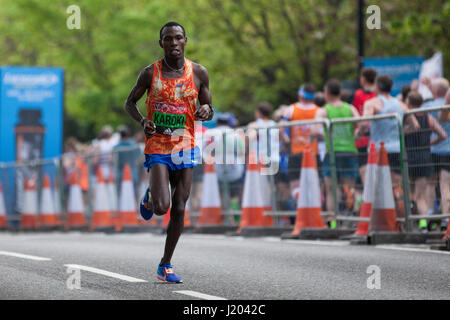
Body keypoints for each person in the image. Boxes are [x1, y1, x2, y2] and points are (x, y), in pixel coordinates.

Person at [124, 22, 214, 283]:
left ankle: (165, 264)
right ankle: (152, 195)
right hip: (159, 145)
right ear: (160, 43)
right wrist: (143, 121)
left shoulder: (198, 72)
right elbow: (130, 103)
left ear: (185, 40)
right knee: (162, 208)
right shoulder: (149, 73)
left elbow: (208, 105)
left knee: (180, 207)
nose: (173, 43)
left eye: (177, 38)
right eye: (167, 39)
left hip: (185, 144)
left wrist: (207, 110)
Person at [316, 79, 360, 215]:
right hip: (349, 151)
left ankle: (333, 221)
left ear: (327, 93)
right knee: (349, 187)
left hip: (333, 152)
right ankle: (350, 219)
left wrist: (326, 136)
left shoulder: (325, 110)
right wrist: (354, 136)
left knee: (331, 189)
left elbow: (315, 130)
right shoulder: (350, 108)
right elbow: (362, 124)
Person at [405, 92, 447, 231]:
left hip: (408, 157)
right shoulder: (428, 117)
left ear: (409, 103)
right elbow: (443, 135)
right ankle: (422, 221)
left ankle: (415, 221)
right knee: (420, 194)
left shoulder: (407, 118)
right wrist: (430, 143)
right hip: (425, 156)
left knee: (410, 193)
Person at [282, 83, 320, 201]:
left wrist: (286, 141)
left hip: (296, 152)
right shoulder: (318, 111)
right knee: (314, 185)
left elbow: (280, 128)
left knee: (295, 186)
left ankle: (301, 208)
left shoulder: (291, 109)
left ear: (301, 95)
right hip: (313, 152)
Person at [421, 78, 450, 228]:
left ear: (436, 91)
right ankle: (446, 218)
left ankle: (430, 215)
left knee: (430, 185)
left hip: (432, 150)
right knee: (445, 185)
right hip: (448, 150)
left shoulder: (427, 106)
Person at [352, 68, 376, 184]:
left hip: (362, 139)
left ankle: (368, 199)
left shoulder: (358, 94)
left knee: (364, 169)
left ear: (364, 79)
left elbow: (355, 114)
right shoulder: (378, 95)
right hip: (378, 139)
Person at [112, 125, 141, 190]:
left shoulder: (116, 147)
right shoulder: (134, 145)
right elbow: (140, 159)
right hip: (133, 175)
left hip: (120, 176)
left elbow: (112, 160)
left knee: (120, 197)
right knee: (134, 196)